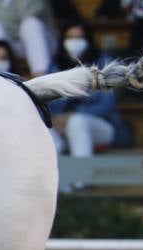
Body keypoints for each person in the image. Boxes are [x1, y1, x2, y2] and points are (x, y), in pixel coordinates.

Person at [47, 20, 129, 159]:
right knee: (44, 130)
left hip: (101, 125)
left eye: (79, 37)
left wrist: (71, 115)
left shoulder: (103, 63)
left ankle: (81, 179)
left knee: (77, 122)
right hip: (60, 125)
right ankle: (59, 181)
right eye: (70, 37)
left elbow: (107, 105)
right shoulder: (55, 65)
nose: (74, 42)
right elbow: (48, 101)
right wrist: (55, 119)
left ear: (88, 40)